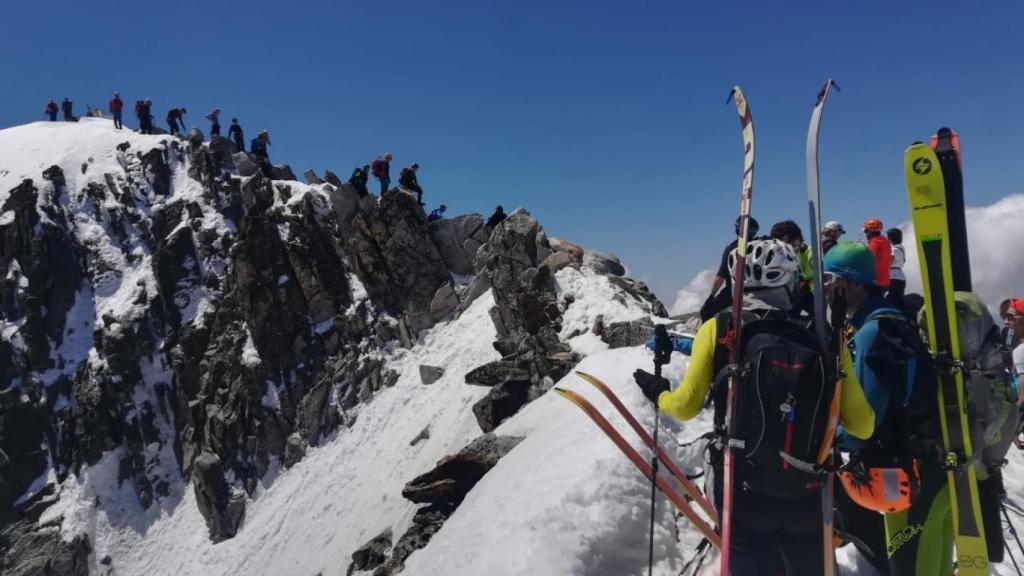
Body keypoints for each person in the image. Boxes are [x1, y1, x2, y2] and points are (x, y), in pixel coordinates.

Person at [634, 238, 874, 576]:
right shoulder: (823, 334)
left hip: (743, 490)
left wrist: (658, 393)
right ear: (791, 280)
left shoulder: (718, 329)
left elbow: (686, 407)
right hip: (808, 491)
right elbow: (863, 425)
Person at [699, 216, 760, 322]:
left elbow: (720, 277)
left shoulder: (731, 249)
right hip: (757, 291)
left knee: (706, 312)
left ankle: (713, 337)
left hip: (733, 292)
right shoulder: (759, 245)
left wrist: (710, 297)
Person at [769, 219, 813, 316]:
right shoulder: (787, 265)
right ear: (786, 238)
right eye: (799, 242)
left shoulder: (765, 259)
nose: (799, 247)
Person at [863, 218, 891, 291]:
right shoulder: (886, 242)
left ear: (868, 231)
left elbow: (868, 261)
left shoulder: (874, 243)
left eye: (865, 231)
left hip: (875, 282)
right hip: (885, 282)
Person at [886, 228, 906, 308]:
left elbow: (889, 261)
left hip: (893, 277)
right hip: (900, 277)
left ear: (890, 238)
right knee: (899, 302)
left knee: (892, 302)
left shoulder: (894, 249)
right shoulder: (901, 247)